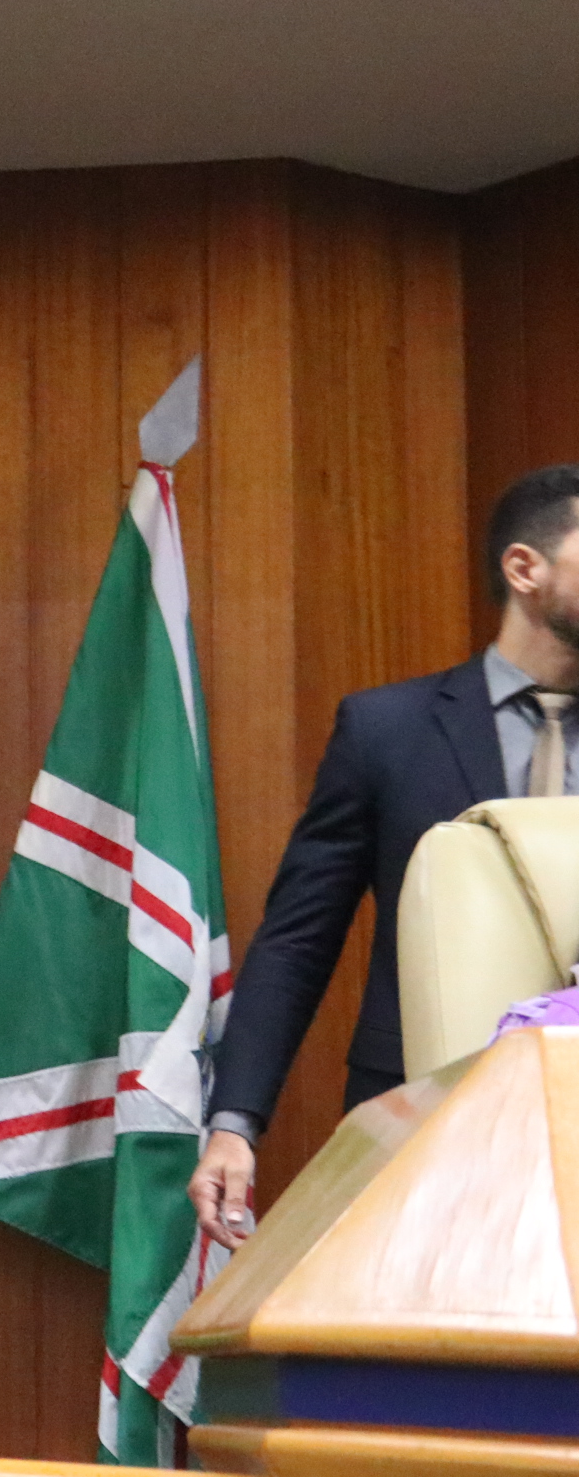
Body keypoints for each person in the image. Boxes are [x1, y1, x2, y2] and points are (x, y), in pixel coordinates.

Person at [191, 464, 579, 1250]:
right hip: (420, 1118)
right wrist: (235, 1123)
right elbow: (299, 938)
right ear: (524, 569)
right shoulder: (386, 730)